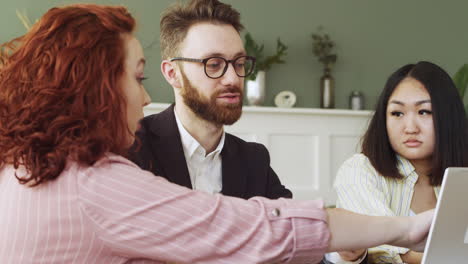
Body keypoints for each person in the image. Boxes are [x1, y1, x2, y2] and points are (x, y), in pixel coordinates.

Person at [0, 4, 433, 263]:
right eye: (136, 77)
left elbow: (284, 230)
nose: (142, 94)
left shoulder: (25, 167)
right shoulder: (103, 176)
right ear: (98, 89)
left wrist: (356, 244)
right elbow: (250, 227)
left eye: (240, 64)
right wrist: (402, 230)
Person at [128, 0, 292, 199]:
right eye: (214, 64)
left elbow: (290, 223)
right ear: (172, 73)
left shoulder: (254, 159)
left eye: (239, 64)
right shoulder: (133, 148)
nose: (233, 78)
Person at [330, 61, 468, 264]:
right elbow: (385, 250)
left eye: (424, 112)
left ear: (447, 117)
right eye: (397, 113)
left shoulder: (461, 176)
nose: (410, 128)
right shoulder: (360, 171)